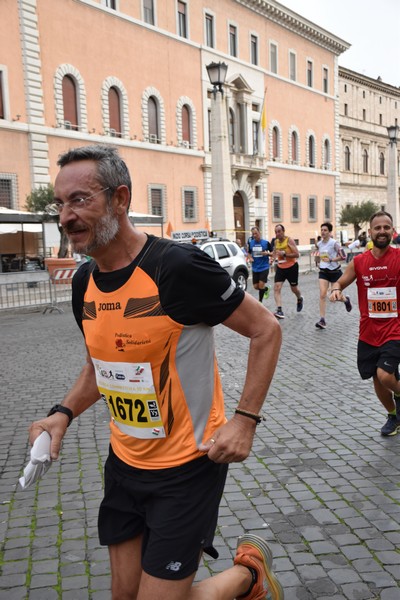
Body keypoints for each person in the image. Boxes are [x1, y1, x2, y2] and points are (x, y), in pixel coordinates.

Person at [28, 144, 284, 600]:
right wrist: (61, 414)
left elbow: (265, 328)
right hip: (124, 464)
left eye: (81, 199)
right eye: (61, 203)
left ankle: (248, 574)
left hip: (187, 467)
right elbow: (98, 367)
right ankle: (250, 581)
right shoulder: (84, 282)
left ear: (120, 199)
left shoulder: (176, 268)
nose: (66, 215)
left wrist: (245, 421)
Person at [330, 210, 400, 436]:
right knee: (377, 379)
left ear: (392, 231)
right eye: (377, 228)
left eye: (386, 227)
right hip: (368, 332)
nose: (382, 232)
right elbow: (339, 282)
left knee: (385, 375)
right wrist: (336, 290)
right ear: (370, 232)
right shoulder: (360, 262)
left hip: (395, 331)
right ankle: (393, 415)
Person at [315, 222, 352, 330]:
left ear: (330, 232)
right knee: (322, 294)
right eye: (322, 230)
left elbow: (344, 256)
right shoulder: (319, 244)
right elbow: (319, 255)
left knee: (334, 297)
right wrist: (318, 260)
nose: (323, 232)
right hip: (323, 271)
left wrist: (331, 259)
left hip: (335, 271)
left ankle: (345, 300)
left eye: (325, 230)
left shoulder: (334, 243)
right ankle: (322, 320)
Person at [272, 224, 303, 319]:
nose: (277, 233)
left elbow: (297, 254)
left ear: (283, 231)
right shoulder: (276, 241)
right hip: (281, 267)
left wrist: (285, 254)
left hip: (291, 267)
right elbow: (274, 253)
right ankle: (279, 310)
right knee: (277, 288)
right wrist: (272, 259)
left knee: (294, 289)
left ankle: (299, 298)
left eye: (279, 231)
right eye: (276, 232)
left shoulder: (289, 240)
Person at [248, 226, 273, 302]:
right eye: (253, 234)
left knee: (261, 284)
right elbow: (248, 253)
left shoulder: (265, 243)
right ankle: (266, 289)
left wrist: (267, 254)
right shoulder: (251, 243)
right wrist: (250, 258)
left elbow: (273, 253)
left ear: (259, 233)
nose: (255, 235)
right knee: (256, 286)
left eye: (256, 233)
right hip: (255, 267)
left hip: (264, 267)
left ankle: (260, 302)